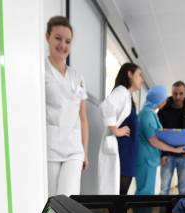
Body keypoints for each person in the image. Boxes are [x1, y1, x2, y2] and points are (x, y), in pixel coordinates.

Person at [44, 16, 89, 197]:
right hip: (50, 149)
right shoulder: (40, 71)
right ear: (47, 37)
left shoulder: (77, 76)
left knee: (68, 201)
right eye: (58, 38)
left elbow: (83, 118)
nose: (63, 45)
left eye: (68, 41)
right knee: (51, 201)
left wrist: (85, 152)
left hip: (74, 150)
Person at [98, 63, 143, 195]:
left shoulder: (127, 96)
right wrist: (116, 130)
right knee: (119, 197)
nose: (141, 79)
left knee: (121, 196)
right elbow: (106, 106)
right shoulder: (122, 91)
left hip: (127, 155)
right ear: (129, 74)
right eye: (139, 75)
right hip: (122, 154)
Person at [135, 85, 185, 195]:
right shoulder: (147, 114)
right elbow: (153, 140)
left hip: (150, 160)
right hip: (146, 161)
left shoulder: (151, 113)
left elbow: (157, 133)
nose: (166, 100)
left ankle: (144, 212)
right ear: (157, 99)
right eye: (164, 98)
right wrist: (175, 149)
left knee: (147, 192)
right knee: (144, 194)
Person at [158, 81, 185, 195]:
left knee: (183, 190)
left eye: (181, 93)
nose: (178, 97)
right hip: (167, 155)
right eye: (175, 93)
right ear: (172, 93)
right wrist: (162, 154)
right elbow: (157, 133)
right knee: (164, 190)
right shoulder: (163, 110)